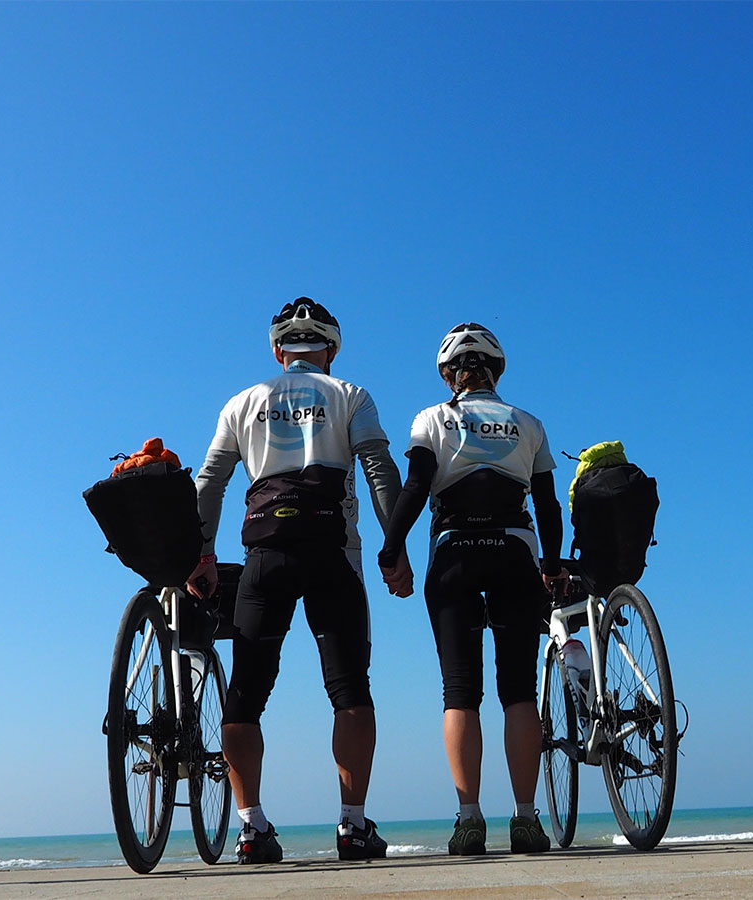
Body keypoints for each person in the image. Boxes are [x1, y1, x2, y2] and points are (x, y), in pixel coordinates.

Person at [186, 297, 405, 864]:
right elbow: (379, 468)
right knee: (350, 688)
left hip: (265, 556)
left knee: (247, 692)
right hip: (333, 552)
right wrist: (394, 542)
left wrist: (203, 555)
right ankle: (353, 828)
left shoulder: (244, 401)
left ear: (278, 350)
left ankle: (252, 827)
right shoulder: (350, 395)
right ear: (331, 349)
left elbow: (209, 482)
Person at [376, 322, 567, 856]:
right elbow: (548, 505)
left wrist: (392, 549)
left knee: (460, 691)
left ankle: (469, 821)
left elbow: (416, 486)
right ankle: (526, 821)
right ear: (495, 371)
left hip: (455, 553)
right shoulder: (528, 423)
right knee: (519, 691)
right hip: (514, 552)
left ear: (449, 376)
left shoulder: (433, 418)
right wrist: (551, 563)